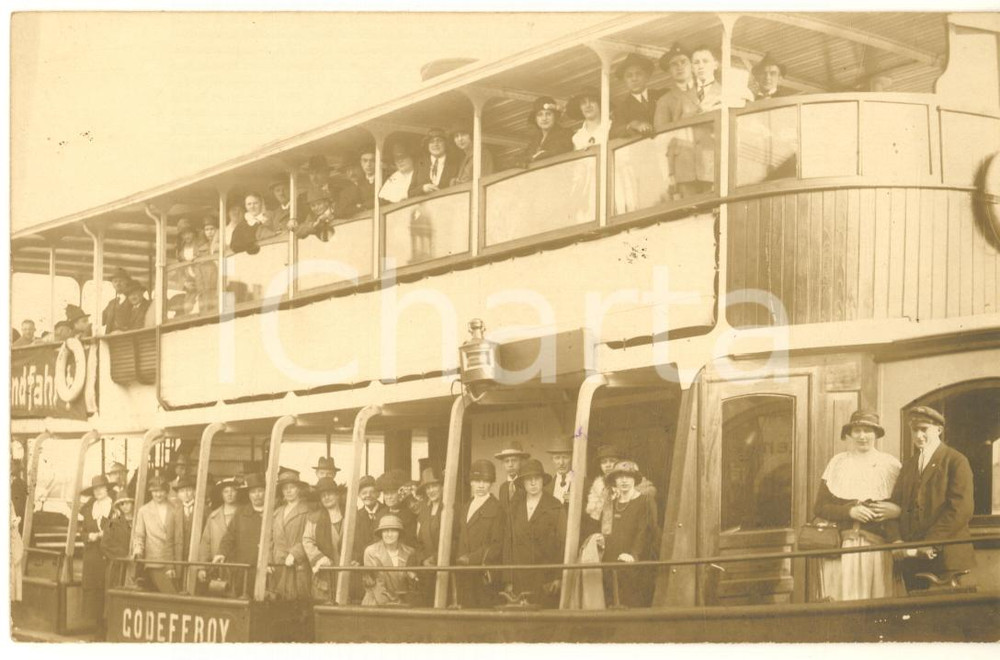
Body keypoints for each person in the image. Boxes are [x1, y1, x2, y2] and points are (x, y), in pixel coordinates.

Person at [813, 410, 902, 601]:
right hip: (842, 548)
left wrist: (897, 511)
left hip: (878, 547)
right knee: (844, 598)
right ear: (850, 434)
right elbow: (820, 507)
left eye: (868, 431)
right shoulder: (838, 463)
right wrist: (849, 511)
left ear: (876, 434)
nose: (862, 436)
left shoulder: (890, 464)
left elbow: (904, 506)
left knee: (877, 599)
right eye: (857, 431)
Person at [890, 406, 976, 590]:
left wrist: (930, 543)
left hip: (945, 558)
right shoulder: (909, 466)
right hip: (913, 559)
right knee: (914, 606)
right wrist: (896, 540)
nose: (918, 435)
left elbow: (961, 510)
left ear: (939, 430)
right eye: (914, 430)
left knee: (944, 608)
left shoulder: (956, 461)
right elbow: (894, 507)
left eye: (924, 429)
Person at [502, 458, 565, 607]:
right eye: (528, 479)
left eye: (536, 478)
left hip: (545, 578)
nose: (533, 483)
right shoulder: (515, 507)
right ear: (523, 483)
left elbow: (562, 544)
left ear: (543, 480)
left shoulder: (555, 506)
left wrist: (558, 577)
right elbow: (508, 544)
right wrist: (508, 579)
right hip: (519, 576)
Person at [596, 460, 658, 608]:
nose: (624, 481)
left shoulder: (645, 501)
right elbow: (605, 531)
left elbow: (646, 532)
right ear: (615, 481)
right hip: (611, 567)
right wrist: (600, 540)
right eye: (620, 477)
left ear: (634, 480)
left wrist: (634, 555)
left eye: (628, 477)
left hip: (634, 568)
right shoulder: (610, 504)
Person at [455, 459, 505, 608]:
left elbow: (497, 544)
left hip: (484, 575)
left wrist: (471, 559)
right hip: (464, 575)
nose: (481, 485)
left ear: (491, 483)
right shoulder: (465, 507)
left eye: (486, 481)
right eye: (477, 481)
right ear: (471, 482)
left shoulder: (497, 508)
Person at [585, 444, 656, 535]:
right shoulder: (598, 485)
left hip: (628, 529)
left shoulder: (633, 482)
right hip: (605, 529)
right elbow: (595, 516)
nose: (608, 465)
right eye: (604, 462)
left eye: (612, 461)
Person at [215, 473, 267, 596]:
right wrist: (221, 553)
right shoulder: (241, 513)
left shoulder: (274, 512)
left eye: (260, 491)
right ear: (248, 494)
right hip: (244, 569)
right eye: (253, 492)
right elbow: (229, 536)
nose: (257, 495)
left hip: (267, 568)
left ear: (266, 492)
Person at [132, 476, 184, 593]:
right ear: (150, 492)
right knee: (170, 594)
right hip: (154, 561)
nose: (158, 494)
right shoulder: (144, 511)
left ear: (166, 491)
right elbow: (139, 535)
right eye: (155, 491)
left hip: (174, 560)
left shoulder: (175, 508)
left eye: (161, 491)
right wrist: (138, 550)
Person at [270, 469, 312, 601]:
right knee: (277, 600)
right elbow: (269, 539)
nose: (288, 491)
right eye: (285, 488)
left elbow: (311, 538)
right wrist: (268, 561)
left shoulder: (307, 511)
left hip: (298, 564)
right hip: (277, 564)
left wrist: (295, 553)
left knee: (298, 601)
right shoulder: (277, 512)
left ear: (298, 489)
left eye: (292, 487)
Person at [302, 476, 344, 601]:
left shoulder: (350, 515)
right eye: (323, 495)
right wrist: (320, 558)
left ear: (337, 495)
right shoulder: (314, 518)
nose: (326, 497)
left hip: (347, 569)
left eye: (329, 493)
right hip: (325, 570)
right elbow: (307, 540)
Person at [362, 514, 418, 606]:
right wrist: (395, 604)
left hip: (402, 604)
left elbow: (412, 586)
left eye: (393, 530)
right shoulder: (371, 552)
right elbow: (376, 585)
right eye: (385, 531)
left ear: (399, 532)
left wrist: (412, 578)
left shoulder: (409, 552)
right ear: (381, 533)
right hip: (376, 604)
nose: (389, 534)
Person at [81, 474, 114, 619]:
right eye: (95, 489)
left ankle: (107, 625)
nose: (98, 491)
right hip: (92, 556)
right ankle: (96, 625)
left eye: (101, 487)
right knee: (94, 592)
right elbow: (82, 532)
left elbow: (120, 530)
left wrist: (104, 535)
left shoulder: (115, 507)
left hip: (109, 556)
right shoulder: (89, 509)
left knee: (108, 589)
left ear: (107, 489)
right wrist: (89, 536)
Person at [197, 477, 240, 583]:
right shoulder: (213, 517)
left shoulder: (244, 514)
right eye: (226, 491)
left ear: (238, 493)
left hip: (240, 566)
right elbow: (205, 543)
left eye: (233, 490)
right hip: (218, 566)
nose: (229, 494)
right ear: (221, 494)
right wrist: (202, 567)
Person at [609, 53, 661, 139]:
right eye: (629, 76)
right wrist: (632, 125)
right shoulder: (621, 109)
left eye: (638, 74)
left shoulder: (660, 95)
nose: (634, 79)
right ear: (624, 81)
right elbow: (614, 132)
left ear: (646, 77)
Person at [522, 96, 574, 165]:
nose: (544, 118)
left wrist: (534, 157)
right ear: (535, 119)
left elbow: (557, 152)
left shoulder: (565, 134)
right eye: (540, 115)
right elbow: (523, 156)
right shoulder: (534, 141)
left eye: (548, 114)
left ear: (555, 116)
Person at [411, 127, 459, 196]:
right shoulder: (420, 165)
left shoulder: (455, 164)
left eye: (439, 141)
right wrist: (423, 188)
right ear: (427, 145)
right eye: (431, 142)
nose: (435, 144)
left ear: (445, 144)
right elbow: (410, 192)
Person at [101, 493, 135, 588]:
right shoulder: (112, 523)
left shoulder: (139, 521)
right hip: (117, 566)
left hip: (135, 566)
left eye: (127, 503)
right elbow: (104, 545)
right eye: (121, 504)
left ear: (133, 503)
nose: (125, 506)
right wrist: (124, 554)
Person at [377, 469, 417, 546]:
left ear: (400, 494)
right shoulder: (380, 515)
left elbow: (411, 542)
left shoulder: (410, 515)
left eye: (392, 493)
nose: (389, 497)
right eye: (386, 493)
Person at [415, 467, 444, 566]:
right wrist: (423, 560)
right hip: (427, 566)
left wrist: (435, 558)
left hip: (446, 566)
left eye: (434, 486)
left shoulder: (452, 509)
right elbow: (419, 543)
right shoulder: (423, 512)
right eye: (428, 488)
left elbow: (456, 541)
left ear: (442, 486)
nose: (431, 491)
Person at [494, 440, 530, 512]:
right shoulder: (503, 487)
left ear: (521, 461)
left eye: (514, 460)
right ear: (502, 464)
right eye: (507, 461)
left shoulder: (527, 484)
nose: (510, 465)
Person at [101, 267, 133, 333]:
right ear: (112, 284)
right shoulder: (111, 303)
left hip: (126, 337)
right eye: (115, 281)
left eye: (120, 281)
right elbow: (100, 320)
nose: (118, 283)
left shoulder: (132, 301)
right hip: (110, 337)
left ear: (126, 282)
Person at [545, 435, 574, 505]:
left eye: (565, 457)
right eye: (557, 458)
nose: (561, 463)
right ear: (552, 460)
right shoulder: (546, 489)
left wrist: (576, 501)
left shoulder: (584, 484)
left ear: (572, 458)